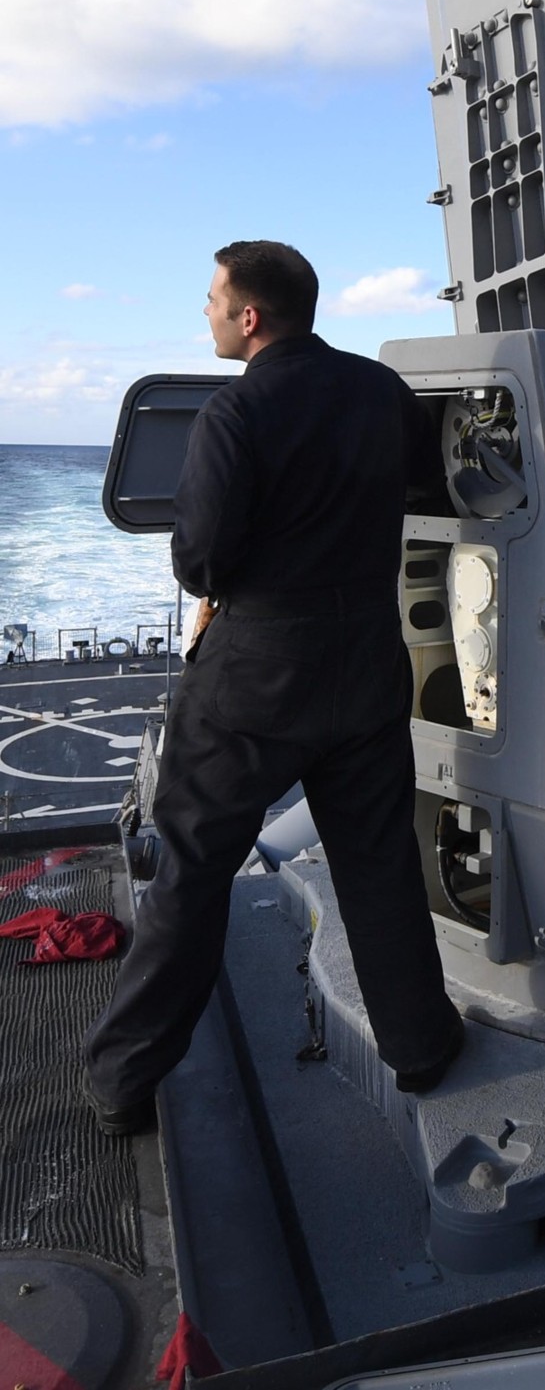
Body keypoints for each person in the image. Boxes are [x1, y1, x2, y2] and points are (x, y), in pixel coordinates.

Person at [84, 241, 464, 1136]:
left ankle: (123, 1078)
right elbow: (429, 479)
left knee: (191, 868)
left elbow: (201, 561)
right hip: (369, 661)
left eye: (215, 298)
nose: (209, 311)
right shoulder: (381, 392)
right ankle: (421, 1047)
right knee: (378, 865)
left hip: (256, 670)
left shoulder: (234, 411)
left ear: (250, 316)